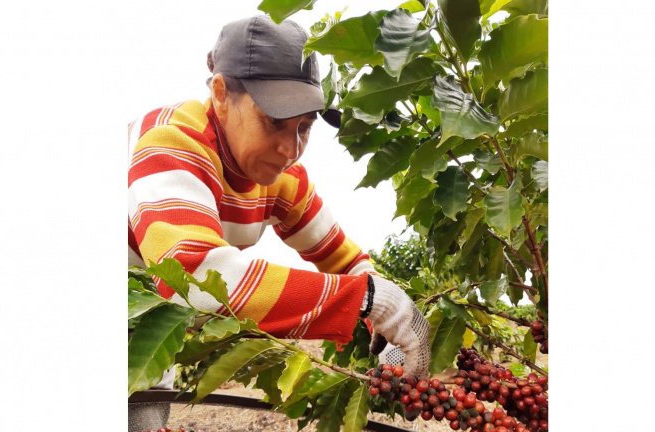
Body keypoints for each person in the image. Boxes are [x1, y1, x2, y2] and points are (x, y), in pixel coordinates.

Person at [127, 14, 431, 401]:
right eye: (273, 122)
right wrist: (370, 301)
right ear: (220, 94)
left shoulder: (282, 177)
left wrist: (388, 325)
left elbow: (345, 260)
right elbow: (194, 276)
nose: (290, 151)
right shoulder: (168, 145)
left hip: (147, 327)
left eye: (304, 127)